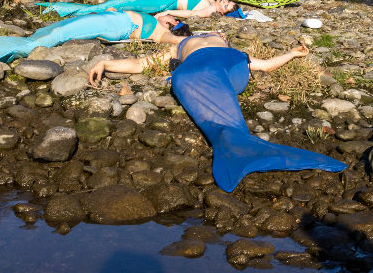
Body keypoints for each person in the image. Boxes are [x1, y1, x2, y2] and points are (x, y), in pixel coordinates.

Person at [87, 33, 346, 192]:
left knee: (222, 127)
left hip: (189, 73)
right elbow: (266, 66)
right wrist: (290, 54)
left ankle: (235, 146)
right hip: (224, 66)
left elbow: (139, 64)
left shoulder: (180, 45)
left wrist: (106, 62)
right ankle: (242, 149)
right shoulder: (229, 49)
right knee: (228, 126)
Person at [0, 9, 190, 64]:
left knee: (55, 35)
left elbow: (178, 41)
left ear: (174, 25)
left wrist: (205, 36)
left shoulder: (162, 31)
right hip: (111, 19)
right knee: (55, 30)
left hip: (113, 25)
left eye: (171, 20)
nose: (166, 16)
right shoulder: (155, 21)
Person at [38, 0, 243, 19]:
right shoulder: (210, 0)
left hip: (164, 1)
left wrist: (162, 15)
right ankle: (62, 9)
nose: (223, 2)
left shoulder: (208, 10)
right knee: (118, 4)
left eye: (226, 6)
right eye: (227, 1)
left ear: (223, 13)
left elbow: (187, 14)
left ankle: (59, 9)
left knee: (119, 4)